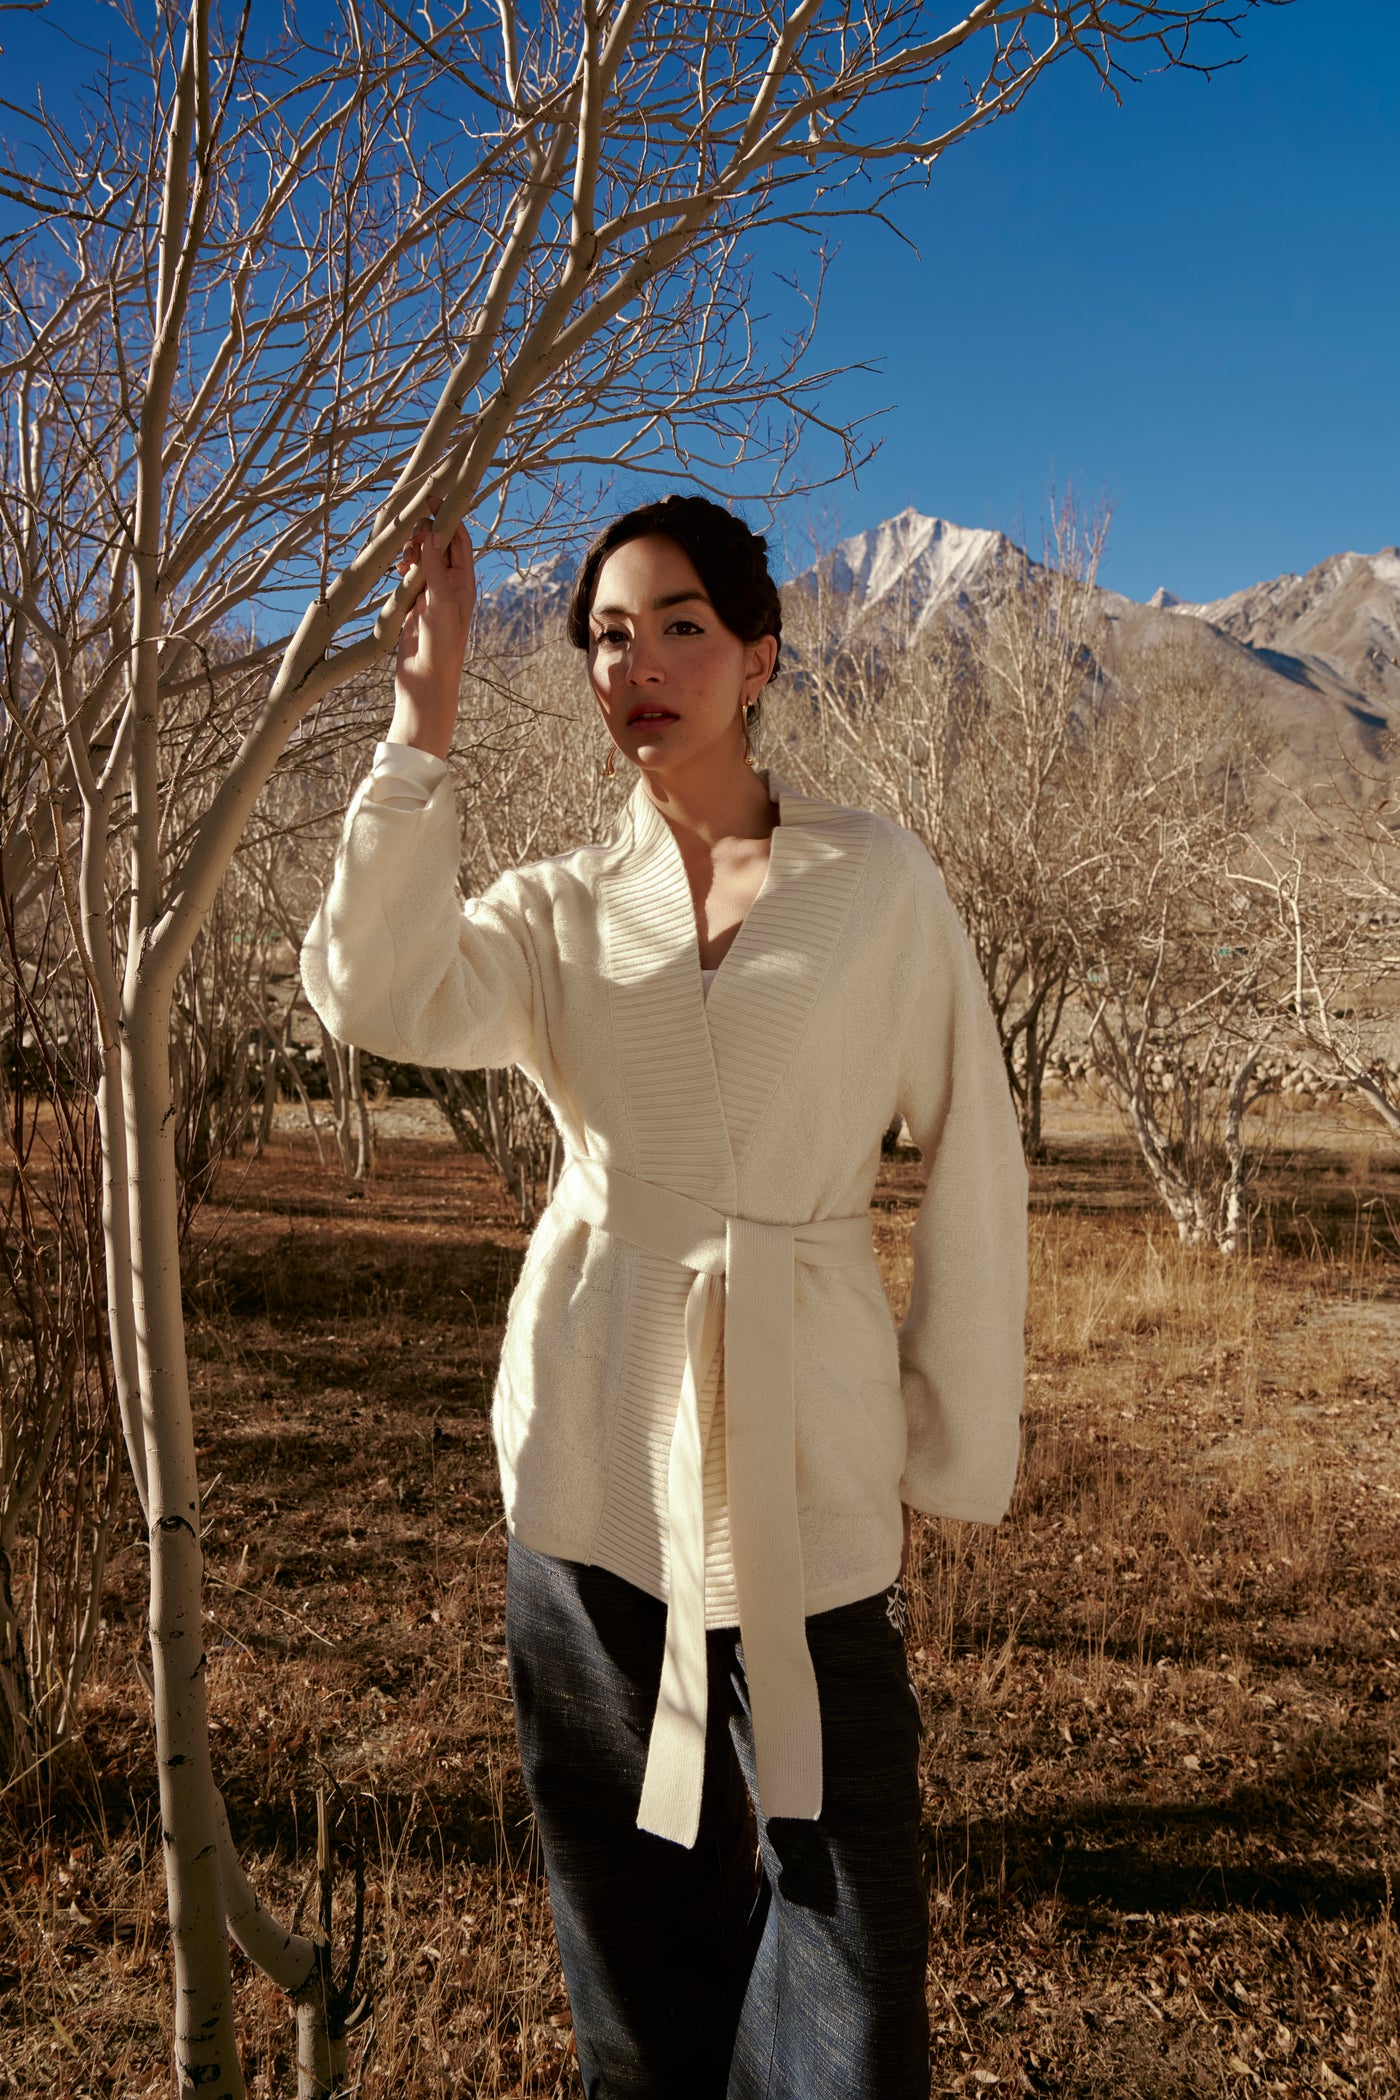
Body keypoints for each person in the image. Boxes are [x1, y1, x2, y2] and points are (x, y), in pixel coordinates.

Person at [301, 493, 1028, 2100]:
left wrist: (943, 1431)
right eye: (609, 636)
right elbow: (372, 989)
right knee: (631, 1946)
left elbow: (976, 1150)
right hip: (591, 1450)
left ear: (760, 655)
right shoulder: (561, 907)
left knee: (850, 1946)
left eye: (680, 626)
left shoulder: (877, 881)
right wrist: (421, 723)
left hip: (807, 1457)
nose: (637, 663)